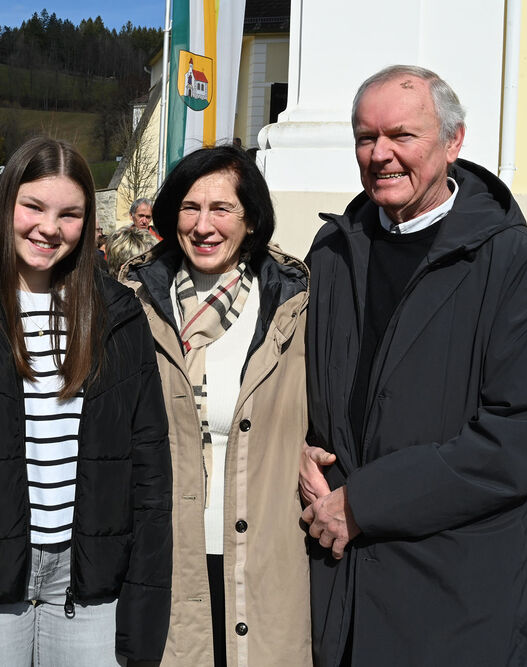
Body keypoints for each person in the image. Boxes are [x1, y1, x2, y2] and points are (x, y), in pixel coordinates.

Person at [301, 65, 527, 666]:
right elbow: (295, 383)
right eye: (366, 138)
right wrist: (289, 447)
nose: (381, 154)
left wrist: (364, 503)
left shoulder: (516, 261)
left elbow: (516, 439)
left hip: (451, 594)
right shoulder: (334, 252)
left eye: (402, 135)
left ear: (453, 142)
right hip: (339, 587)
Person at [0, 137, 172, 666]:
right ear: (1, 204)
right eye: (34, 206)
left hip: (90, 581)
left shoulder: (118, 318)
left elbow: (149, 476)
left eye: (69, 214)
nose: (49, 228)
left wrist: (146, 608)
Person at [121, 145, 311, 665]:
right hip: (162, 555)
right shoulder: (133, 302)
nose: (203, 225)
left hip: (263, 559)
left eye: (221, 208)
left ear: (251, 220)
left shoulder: (292, 306)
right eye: (190, 207)